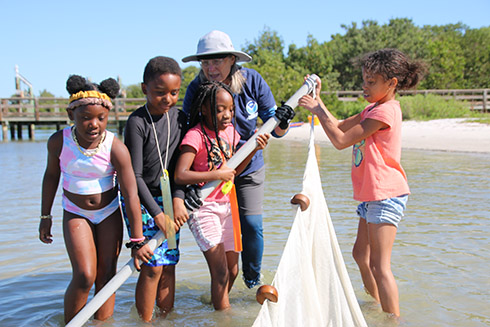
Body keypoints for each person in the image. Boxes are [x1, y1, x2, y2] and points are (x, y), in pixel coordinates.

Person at [299, 48, 425, 317]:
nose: (364, 86)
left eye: (371, 81)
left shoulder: (386, 112)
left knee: (380, 266)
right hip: (371, 195)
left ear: (391, 83)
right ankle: (376, 307)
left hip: (386, 193)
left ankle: (393, 320)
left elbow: (341, 141)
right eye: (364, 79)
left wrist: (317, 111)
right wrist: (318, 101)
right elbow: (341, 125)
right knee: (360, 255)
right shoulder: (373, 108)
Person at [181, 30, 295, 289]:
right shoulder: (197, 88)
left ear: (232, 59)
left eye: (217, 61)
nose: (211, 68)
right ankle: (222, 288)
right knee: (220, 236)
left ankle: (252, 282)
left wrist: (283, 121)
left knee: (252, 225)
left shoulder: (252, 81)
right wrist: (186, 187)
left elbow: (275, 130)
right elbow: (186, 133)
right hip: (212, 173)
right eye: (205, 62)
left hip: (249, 166)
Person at [38, 75, 153, 323]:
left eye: (100, 118)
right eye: (85, 118)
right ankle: (72, 322)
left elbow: (131, 194)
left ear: (108, 117)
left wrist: (137, 239)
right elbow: (50, 177)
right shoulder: (59, 142)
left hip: (109, 213)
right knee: (84, 275)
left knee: (107, 276)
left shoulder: (115, 147)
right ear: (71, 116)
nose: (94, 124)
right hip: (75, 213)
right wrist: (45, 216)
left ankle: (102, 322)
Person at [175, 81, 270, 310]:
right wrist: (216, 173)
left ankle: (214, 306)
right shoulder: (195, 136)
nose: (227, 115)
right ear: (204, 109)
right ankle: (223, 317)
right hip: (203, 208)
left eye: (230, 110)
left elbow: (234, 169)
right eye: (219, 110)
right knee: (219, 274)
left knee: (232, 271)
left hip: (227, 205)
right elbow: (180, 174)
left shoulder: (230, 132)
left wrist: (255, 149)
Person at [121, 56, 189, 322]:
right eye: (160, 93)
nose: (168, 99)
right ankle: (145, 322)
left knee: (169, 264)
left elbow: (180, 167)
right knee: (151, 267)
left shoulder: (180, 118)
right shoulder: (137, 122)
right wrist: (158, 214)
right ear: (144, 89)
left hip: (170, 198)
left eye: (174, 93)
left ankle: (166, 319)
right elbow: (134, 177)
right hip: (142, 200)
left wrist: (178, 199)